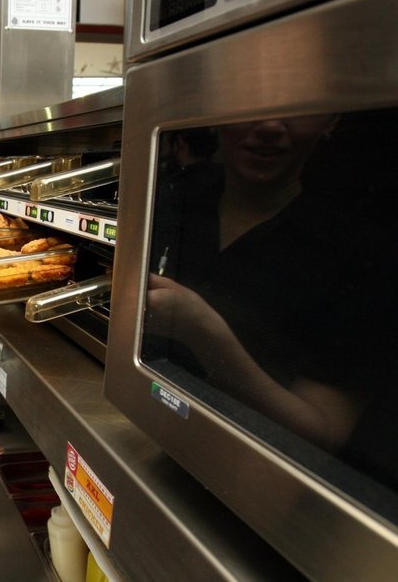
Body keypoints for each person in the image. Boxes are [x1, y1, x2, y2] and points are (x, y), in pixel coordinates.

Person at [143, 115, 395, 479]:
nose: (272, 126)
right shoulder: (175, 195)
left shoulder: (355, 252)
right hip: (142, 433)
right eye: (253, 106)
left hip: (260, 480)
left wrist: (203, 331)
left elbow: (323, 433)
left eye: (299, 110)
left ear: (328, 121)